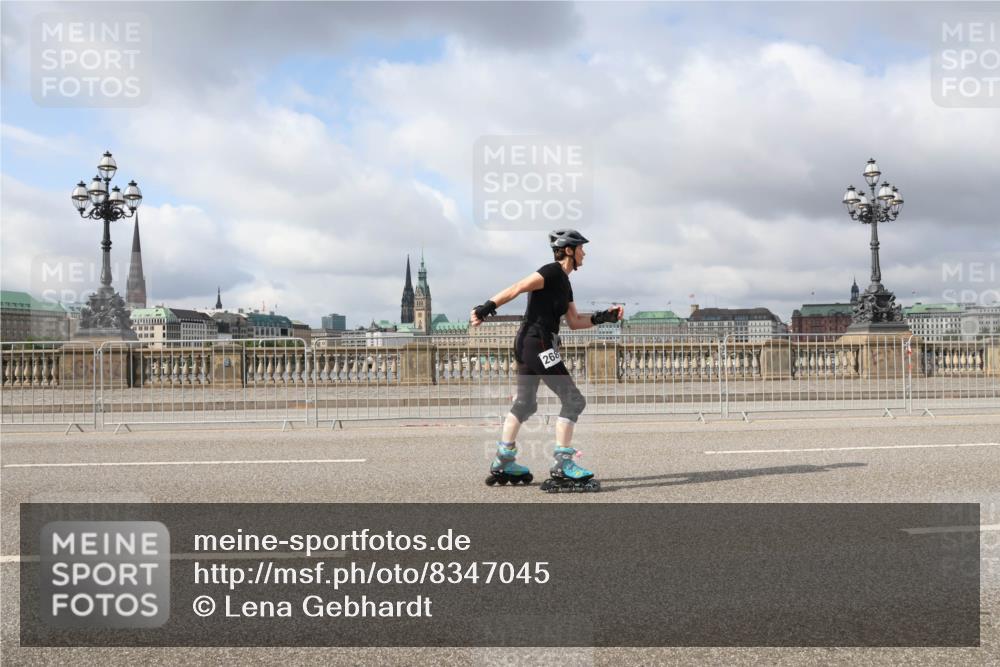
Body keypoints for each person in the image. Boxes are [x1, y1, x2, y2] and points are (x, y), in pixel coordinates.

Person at [470, 229, 623, 492]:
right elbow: (518, 287)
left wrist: (602, 317)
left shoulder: (565, 283)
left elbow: (574, 322)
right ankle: (563, 464)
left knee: (526, 403)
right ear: (568, 251)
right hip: (537, 342)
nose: (584, 253)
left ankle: (504, 459)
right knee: (574, 399)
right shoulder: (550, 272)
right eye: (581, 248)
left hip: (531, 343)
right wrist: (486, 308)